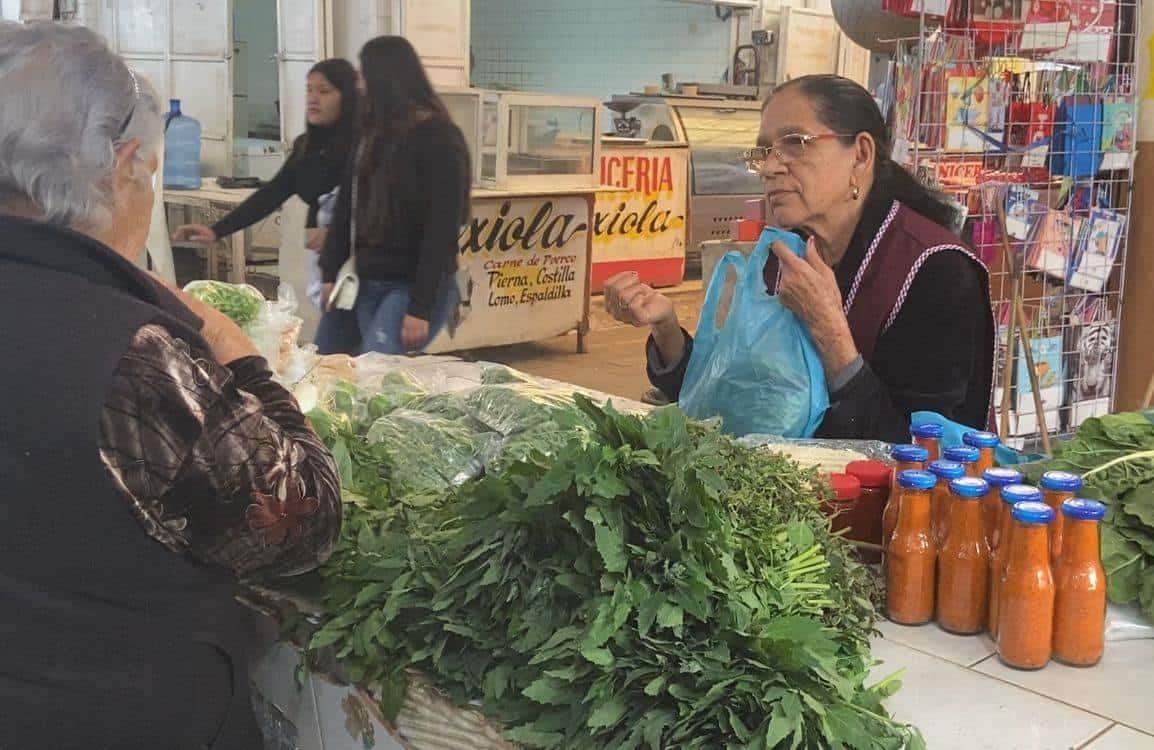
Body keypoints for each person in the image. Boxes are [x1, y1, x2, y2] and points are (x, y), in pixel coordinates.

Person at [0, 24, 342, 748]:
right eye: (148, 171)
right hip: (117, 713)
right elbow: (302, 525)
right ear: (124, 165)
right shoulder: (131, 354)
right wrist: (241, 359)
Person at [605, 75, 995, 443]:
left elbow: (919, 453)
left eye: (796, 142)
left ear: (860, 155)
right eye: (765, 151)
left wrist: (831, 334)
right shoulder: (786, 253)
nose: (771, 167)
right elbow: (732, 396)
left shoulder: (934, 270)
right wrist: (666, 329)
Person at [174, 58, 362, 353]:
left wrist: (337, 234)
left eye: (324, 91)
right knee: (336, 354)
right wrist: (216, 231)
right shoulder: (307, 146)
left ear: (347, 97)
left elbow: (379, 211)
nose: (313, 98)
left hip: (369, 274)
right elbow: (273, 193)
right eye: (309, 89)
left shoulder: (364, 147)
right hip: (334, 278)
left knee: (359, 354)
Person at [319, 35, 471, 355]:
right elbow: (346, 207)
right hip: (363, 279)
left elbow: (441, 227)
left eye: (364, 75)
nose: (360, 85)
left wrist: (420, 307)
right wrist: (329, 272)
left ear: (384, 79)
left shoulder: (439, 137)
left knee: (377, 377)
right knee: (324, 365)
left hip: (412, 285)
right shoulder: (370, 135)